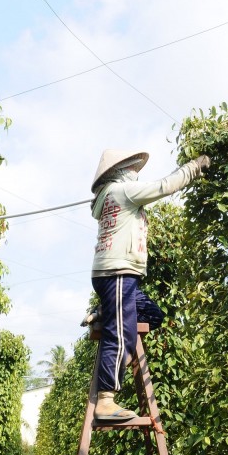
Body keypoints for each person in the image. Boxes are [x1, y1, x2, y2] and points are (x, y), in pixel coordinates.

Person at [89, 149, 210, 420]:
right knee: (119, 335)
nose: (136, 172)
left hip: (120, 275)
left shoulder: (110, 195)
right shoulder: (121, 191)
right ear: (118, 171)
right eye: (132, 168)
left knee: (152, 314)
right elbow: (163, 186)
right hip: (117, 272)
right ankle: (106, 399)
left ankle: (105, 310)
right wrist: (193, 168)